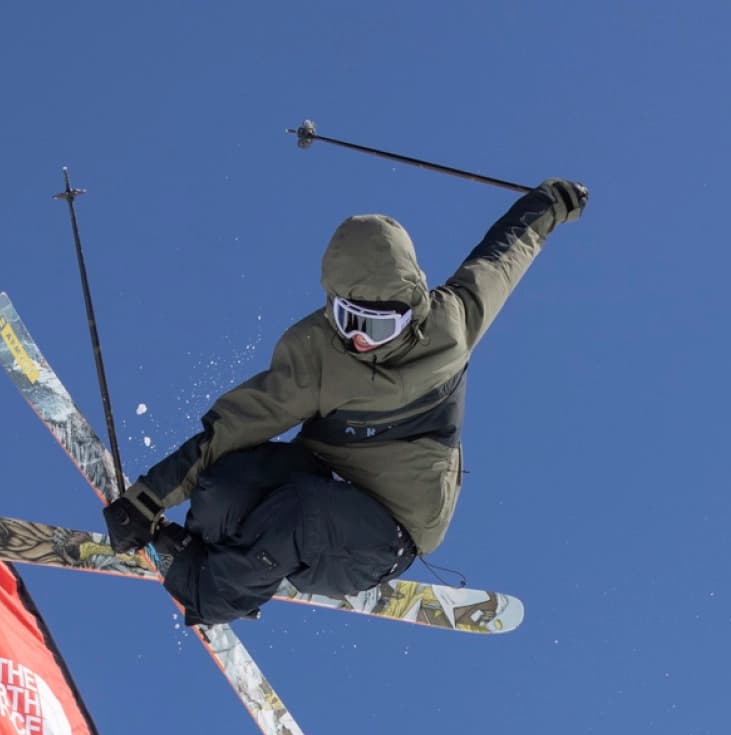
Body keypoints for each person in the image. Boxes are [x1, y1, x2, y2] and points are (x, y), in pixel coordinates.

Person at [100, 177, 587, 625]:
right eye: (346, 318)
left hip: (389, 529)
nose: (358, 339)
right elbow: (235, 425)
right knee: (225, 482)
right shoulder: (319, 354)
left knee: (298, 514)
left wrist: (548, 203)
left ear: (411, 310)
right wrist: (148, 499)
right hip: (324, 479)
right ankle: (221, 558)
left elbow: (503, 256)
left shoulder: (451, 326)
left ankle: (211, 596)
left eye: (375, 326)